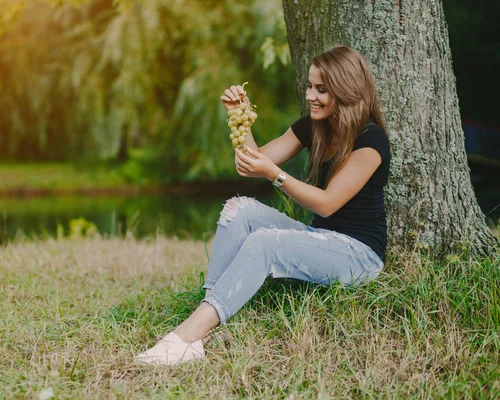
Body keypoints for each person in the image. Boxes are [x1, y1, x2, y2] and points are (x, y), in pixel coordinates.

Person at [135, 44, 391, 366]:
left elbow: (327, 205)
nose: (311, 95)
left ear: (346, 90)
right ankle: (203, 326)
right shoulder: (315, 127)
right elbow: (253, 163)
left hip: (358, 255)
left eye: (321, 89)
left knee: (266, 243)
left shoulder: (371, 140)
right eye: (310, 86)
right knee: (238, 209)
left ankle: (185, 337)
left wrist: (274, 175)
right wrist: (238, 115)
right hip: (319, 239)